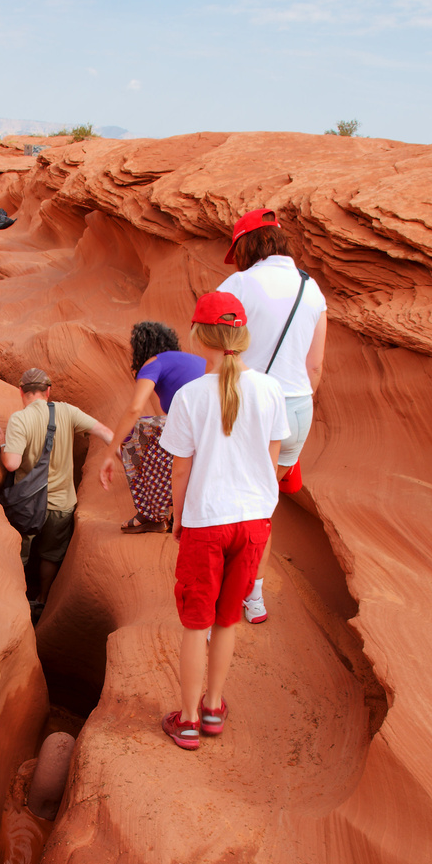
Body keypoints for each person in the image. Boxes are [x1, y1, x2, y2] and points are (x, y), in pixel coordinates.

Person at [157, 291, 289, 750]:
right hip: (253, 520)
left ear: (200, 335)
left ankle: (189, 719)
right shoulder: (271, 389)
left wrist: (178, 518)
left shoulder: (190, 396)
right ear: (243, 335)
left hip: (207, 520)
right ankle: (214, 706)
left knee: (197, 622)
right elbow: (273, 461)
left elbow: (180, 468)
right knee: (227, 619)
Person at [222, 208, 327, 624]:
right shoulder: (311, 288)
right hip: (298, 409)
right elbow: (315, 367)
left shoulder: (240, 284)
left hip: (250, 408)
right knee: (263, 507)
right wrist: (293, 407)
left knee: (233, 505)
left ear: (247, 244)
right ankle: (256, 598)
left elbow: (219, 352)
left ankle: (230, 595)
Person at [0, 369, 113, 616]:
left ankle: (17, 602)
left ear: (21, 391)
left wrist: (2, 444)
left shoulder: (19, 420)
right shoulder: (67, 411)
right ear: (48, 391)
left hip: (28, 505)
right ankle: (43, 598)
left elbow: (12, 464)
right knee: (51, 554)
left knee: (19, 553)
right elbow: (107, 433)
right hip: (62, 504)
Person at [98, 321, 205, 531]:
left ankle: (152, 514)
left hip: (197, 432)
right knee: (165, 438)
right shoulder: (191, 361)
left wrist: (111, 451)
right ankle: (179, 507)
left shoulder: (154, 363)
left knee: (136, 431)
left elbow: (134, 409)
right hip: (215, 431)